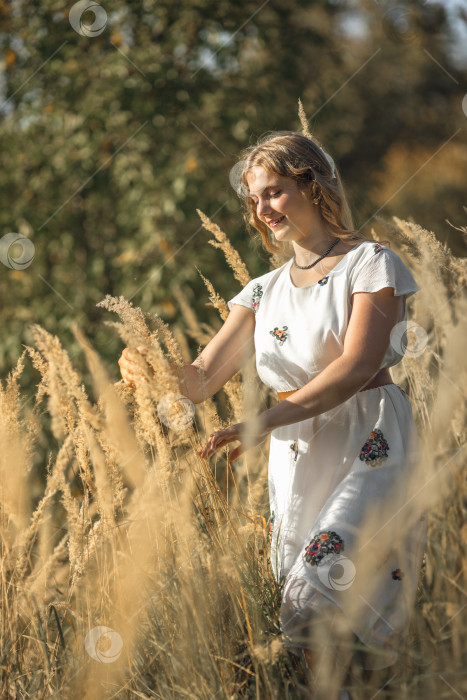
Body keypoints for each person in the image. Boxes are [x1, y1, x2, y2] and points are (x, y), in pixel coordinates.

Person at [118, 131, 427, 690]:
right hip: (298, 451)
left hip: (369, 439)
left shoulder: (370, 264)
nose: (262, 209)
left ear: (315, 185)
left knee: (326, 580)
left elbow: (356, 366)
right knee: (304, 607)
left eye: (276, 192)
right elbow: (201, 380)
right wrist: (149, 366)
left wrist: (261, 423)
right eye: (255, 198)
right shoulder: (261, 291)